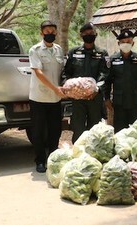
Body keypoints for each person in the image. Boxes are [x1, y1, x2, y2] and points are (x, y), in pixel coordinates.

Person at [62, 22, 110, 143]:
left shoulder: (102, 53)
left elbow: (105, 74)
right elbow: (65, 73)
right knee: (78, 127)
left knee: (94, 127)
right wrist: (69, 87)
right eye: (86, 33)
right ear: (81, 35)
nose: (89, 35)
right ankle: (78, 154)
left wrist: (96, 89)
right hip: (77, 99)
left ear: (96, 34)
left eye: (91, 33)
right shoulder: (73, 53)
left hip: (95, 98)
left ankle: (93, 154)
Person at [28, 20, 66, 173]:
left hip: (55, 99)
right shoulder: (35, 50)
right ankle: (40, 161)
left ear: (56, 32)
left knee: (55, 130)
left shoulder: (59, 50)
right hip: (39, 97)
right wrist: (55, 88)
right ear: (41, 33)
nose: (50, 33)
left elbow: (62, 71)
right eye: (47, 31)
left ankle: (52, 159)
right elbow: (38, 73)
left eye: (52, 31)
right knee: (38, 131)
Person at [104, 29, 137, 132]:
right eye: (123, 42)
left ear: (133, 43)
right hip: (119, 101)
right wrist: (106, 98)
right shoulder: (113, 59)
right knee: (120, 130)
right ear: (118, 43)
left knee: (135, 129)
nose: (126, 44)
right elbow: (107, 81)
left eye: (128, 42)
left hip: (135, 100)